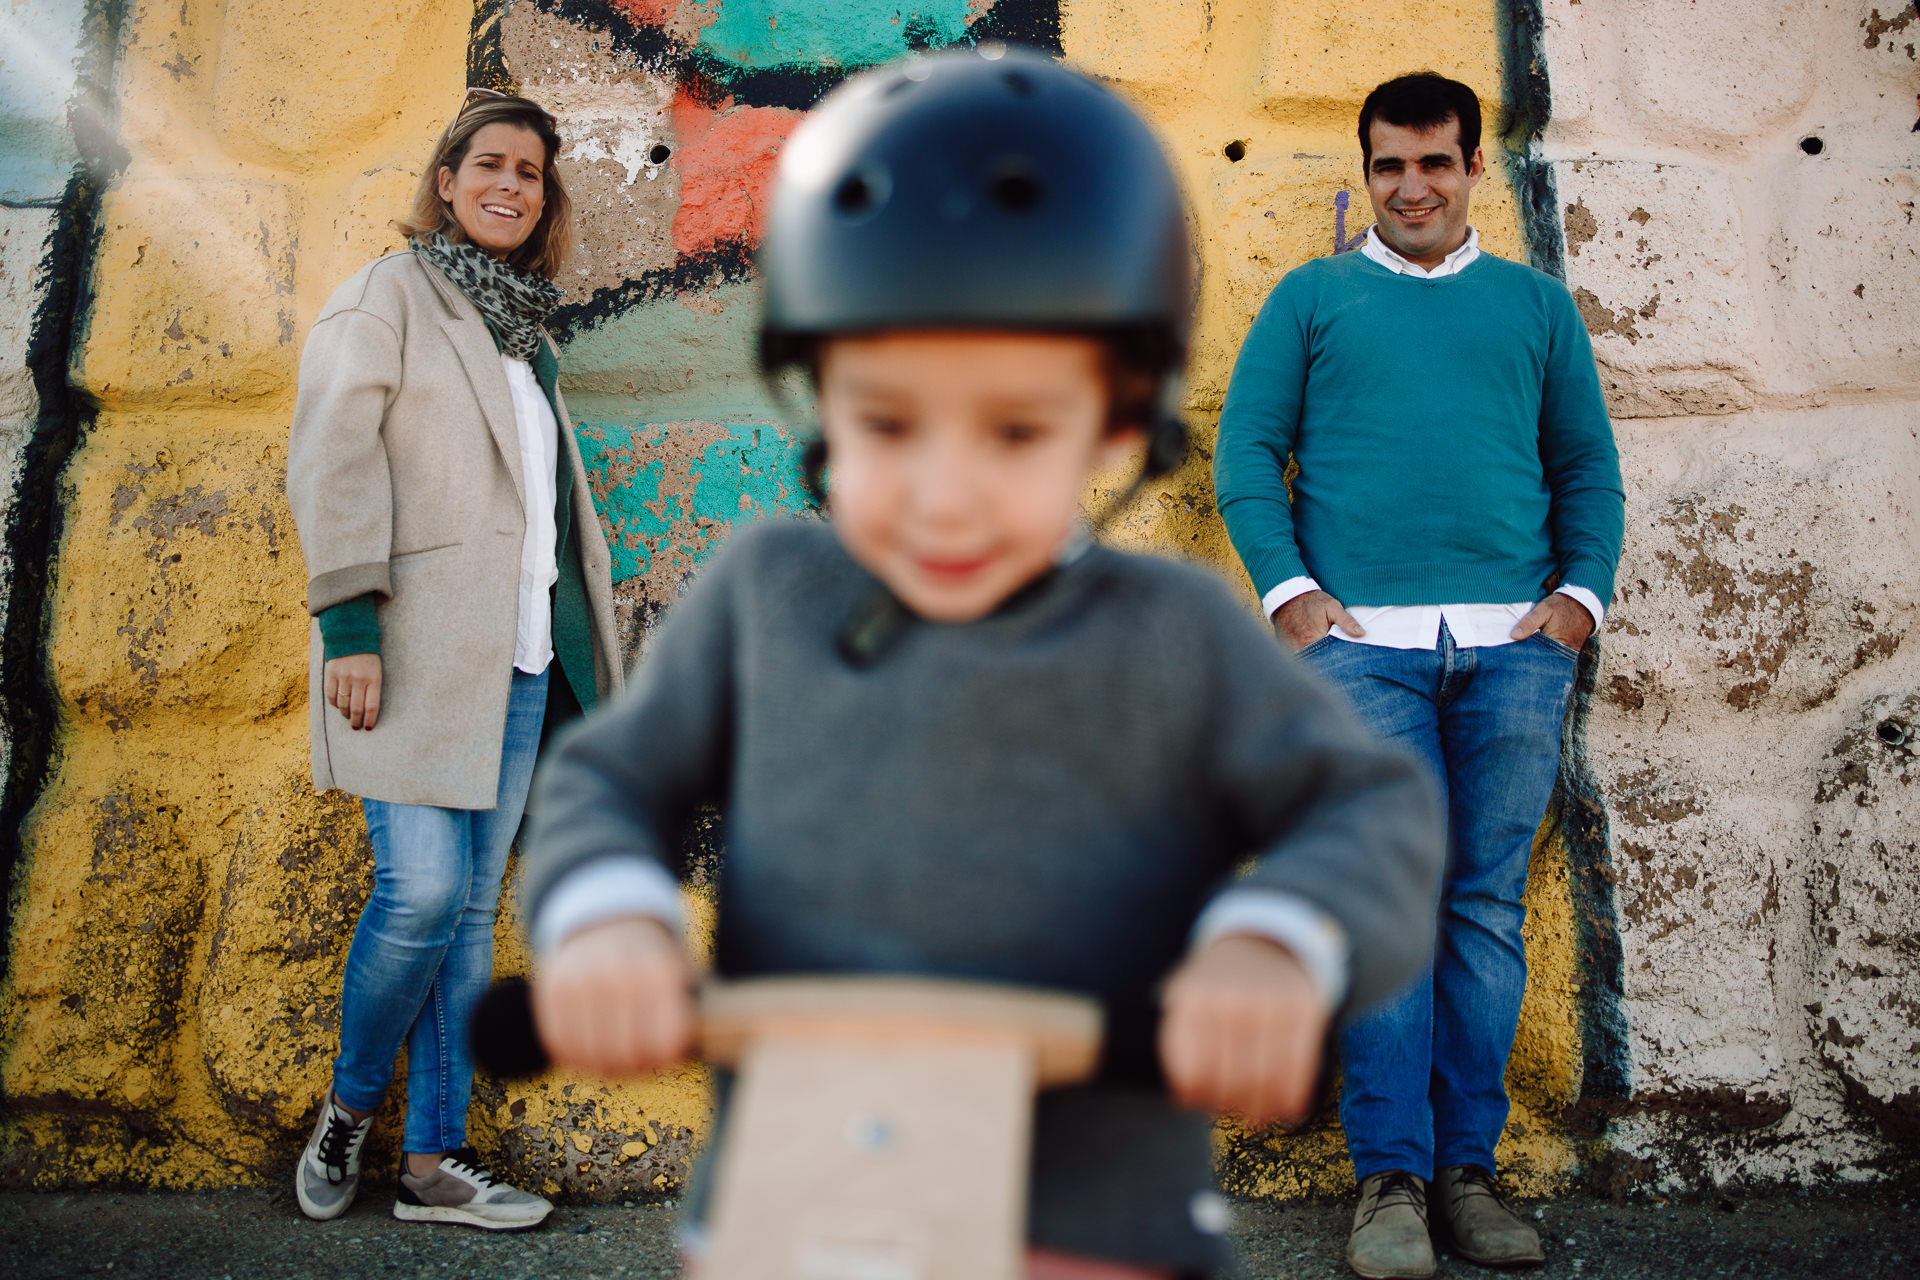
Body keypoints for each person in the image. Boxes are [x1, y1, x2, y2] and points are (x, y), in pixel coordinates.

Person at [518, 49, 1445, 1279]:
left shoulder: (1168, 632)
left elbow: (1367, 806)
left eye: (1014, 430)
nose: (946, 495)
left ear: (1115, 421)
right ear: (816, 399)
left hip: (1095, 1219)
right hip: (804, 1210)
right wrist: (609, 916)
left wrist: (1279, 937)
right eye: (889, 424)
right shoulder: (768, 600)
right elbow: (606, 782)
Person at [1214, 72, 1625, 1279]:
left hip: (1513, 655)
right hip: (1362, 660)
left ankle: (1469, 1174)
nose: (1412, 187)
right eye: (1390, 165)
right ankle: (1387, 1181)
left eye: (1435, 162)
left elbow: (1586, 465)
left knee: (1483, 910)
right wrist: (1296, 604)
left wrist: (1575, 605)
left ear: (1473, 167)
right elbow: (1248, 455)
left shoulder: (1536, 308)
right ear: (1367, 171)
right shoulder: (1314, 299)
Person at [285, 88, 623, 1231]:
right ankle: (347, 1108)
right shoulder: (389, 294)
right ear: (446, 178)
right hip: (410, 650)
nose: (510, 187)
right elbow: (333, 451)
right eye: (490, 164)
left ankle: (434, 1164)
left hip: (517, 660)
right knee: (421, 890)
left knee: (472, 908)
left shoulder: (523, 328)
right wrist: (350, 628)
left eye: (530, 174)